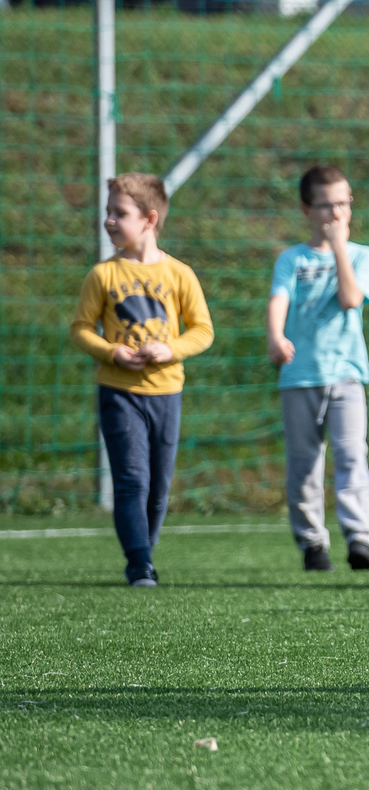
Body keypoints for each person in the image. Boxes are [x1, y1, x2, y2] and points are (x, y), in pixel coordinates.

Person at [70, 173, 213, 587]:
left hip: (167, 393)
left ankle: (145, 550)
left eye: (120, 213)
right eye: (108, 212)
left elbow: (202, 330)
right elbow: (81, 329)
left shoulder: (180, 274)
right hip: (119, 393)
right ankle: (139, 564)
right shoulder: (103, 275)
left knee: (158, 488)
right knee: (132, 480)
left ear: (149, 219)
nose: (109, 221)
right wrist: (110, 351)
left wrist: (171, 349)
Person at [266, 165, 369, 572]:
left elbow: (351, 299)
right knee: (304, 465)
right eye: (327, 205)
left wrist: (338, 249)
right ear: (306, 210)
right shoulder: (292, 258)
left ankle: (359, 538)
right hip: (301, 376)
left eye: (343, 203)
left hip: (346, 375)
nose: (336, 213)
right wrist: (275, 336)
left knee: (351, 455)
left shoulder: (362, 255)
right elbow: (279, 298)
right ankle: (312, 542)